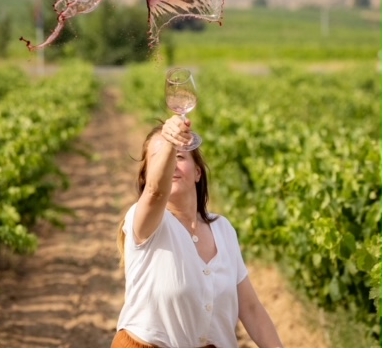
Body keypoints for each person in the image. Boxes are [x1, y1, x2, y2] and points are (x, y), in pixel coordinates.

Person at [111, 115, 284, 348]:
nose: (171, 163)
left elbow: (251, 309)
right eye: (161, 159)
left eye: (179, 157)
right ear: (146, 176)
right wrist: (171, 143)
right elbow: (155, 192)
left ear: (198, 173)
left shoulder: (223, 229)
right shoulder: (143, 223)